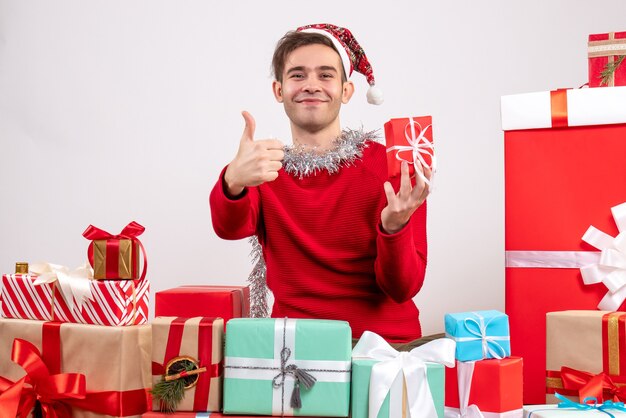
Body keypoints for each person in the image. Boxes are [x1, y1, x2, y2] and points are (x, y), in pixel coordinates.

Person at [209, 23, 431, 344]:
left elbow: (403, 288)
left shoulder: (391, 165)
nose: (311, 85)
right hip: (295, 349)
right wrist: (233, 181)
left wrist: (394, 228)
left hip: (384, 346)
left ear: (346, 91)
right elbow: (229, 228)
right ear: (279, 90)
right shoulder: (263, 168)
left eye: (325, 75)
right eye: (298, 75)